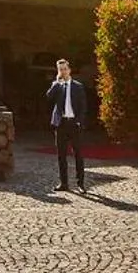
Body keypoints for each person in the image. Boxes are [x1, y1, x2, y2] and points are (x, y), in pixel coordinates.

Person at [43, 58, 89, 193]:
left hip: (74, 123)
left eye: (64, 69)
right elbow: (48, 97)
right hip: (61, 123)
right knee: (61, 155)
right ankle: (64, 183)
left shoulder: (78, 86)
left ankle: (80, 184)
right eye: (60, 69)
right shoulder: (58, 86)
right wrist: (56, 83)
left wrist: (79, 121)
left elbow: (83, 106)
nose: (63, 72)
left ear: (69, 70)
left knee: (78, 154)